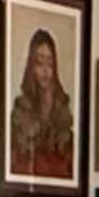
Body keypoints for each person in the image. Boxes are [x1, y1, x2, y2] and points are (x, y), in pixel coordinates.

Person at [8, 29, 77, 181]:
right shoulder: (21, 110)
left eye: (50, 64)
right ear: (31, 66)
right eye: (39, 63)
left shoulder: (62, 110)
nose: (45, 71)